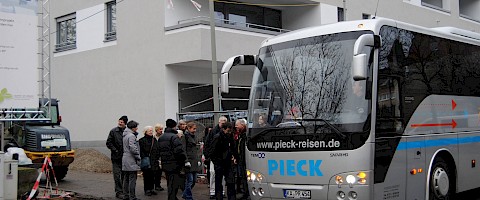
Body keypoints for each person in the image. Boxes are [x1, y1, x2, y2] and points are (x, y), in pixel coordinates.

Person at [159, 119, 187, 200]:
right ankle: (172, 198)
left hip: (165, 162)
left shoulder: (162, 137)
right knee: (174, 183)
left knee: (169, 182)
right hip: (175, 163)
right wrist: (182, 161)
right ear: (174, 126)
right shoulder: (174, 137)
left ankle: (172, 197)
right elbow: (179, 151)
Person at [210, 122, 236, 200]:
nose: (229, 132)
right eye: (228, 130)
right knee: (220, 181)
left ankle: (227, 197)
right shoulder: (218, 137)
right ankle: (220, 197)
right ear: (224, 129)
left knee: (228, 181)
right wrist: (216, 161)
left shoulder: (226, 136)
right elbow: (212, 151)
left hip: (225, 162)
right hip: (220, 162)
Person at [204, 116, 227, 199]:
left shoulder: (215, 131)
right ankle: (213, 191)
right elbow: (207, 143)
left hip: (220, 156)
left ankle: (220, 191)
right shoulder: (213, 132)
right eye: (222, 122)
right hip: (215, 156)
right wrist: (208, 155)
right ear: (219, 122)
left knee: (220, 175)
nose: (223, 123)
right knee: (213, 173)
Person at [106, 115, 128, 199]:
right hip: (116, 157)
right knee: (117, 175)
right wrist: (115, 150)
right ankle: (118, 191)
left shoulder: (127, 132)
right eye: (119, 121)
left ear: (125, 123)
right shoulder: (113, 131)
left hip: (125, 157)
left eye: (121, 122)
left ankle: (124, 190)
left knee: (124, 175)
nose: (119, 123)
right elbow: (108, 143)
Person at [122, 120, 141, 200]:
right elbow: (133, 148)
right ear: (133, 128)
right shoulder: (131, 136)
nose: (137, 128)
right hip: (131, 159)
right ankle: (132, 197)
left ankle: (126, 195)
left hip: (125, 158)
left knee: (126, 178)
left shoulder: (125, 135)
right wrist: (138, 156)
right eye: (136, 127)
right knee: (132, 179)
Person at [182, 122, 201, 200]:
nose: (195, 130)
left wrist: (198, 159)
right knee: (190, 180)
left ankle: (185, 194)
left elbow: (195, 150)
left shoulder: (192, 136)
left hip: (194, 161)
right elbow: (183, 149)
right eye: (194, 128)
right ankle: (188, 197)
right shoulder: (185, 137)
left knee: (193, 180)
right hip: (189, 161)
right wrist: (186, 161)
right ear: (189, 128)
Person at [139, 126, 158, 196]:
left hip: (154, 160)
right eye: (149, 130)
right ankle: (147, 189)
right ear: (145, 132)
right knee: (146, 176)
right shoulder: (141, 140)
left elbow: (157, 148)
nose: (151, 132)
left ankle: (152, 188)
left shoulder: (154, 139)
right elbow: (142, 151)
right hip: (146, 160)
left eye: (151, 130)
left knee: (153, 175)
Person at [234, 119, 249, 199]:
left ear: (243, 125)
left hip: (245, 161)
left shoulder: (246, 135)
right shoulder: (240, 135)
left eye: (237, 125)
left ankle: (246, 193)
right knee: (242, 177)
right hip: (240, 160)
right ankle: (244, 192)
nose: (236, 127)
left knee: (245, 177)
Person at [153, 123, 165, 192]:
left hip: (162, 155)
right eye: (160, 129)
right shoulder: (154, 137)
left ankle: (158, 185)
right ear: (156, 130)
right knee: (156, 171)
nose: (161, 131)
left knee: (159, 171)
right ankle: (156, 185)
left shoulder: (163, 137)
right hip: (155, 156)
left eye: (162, 129)